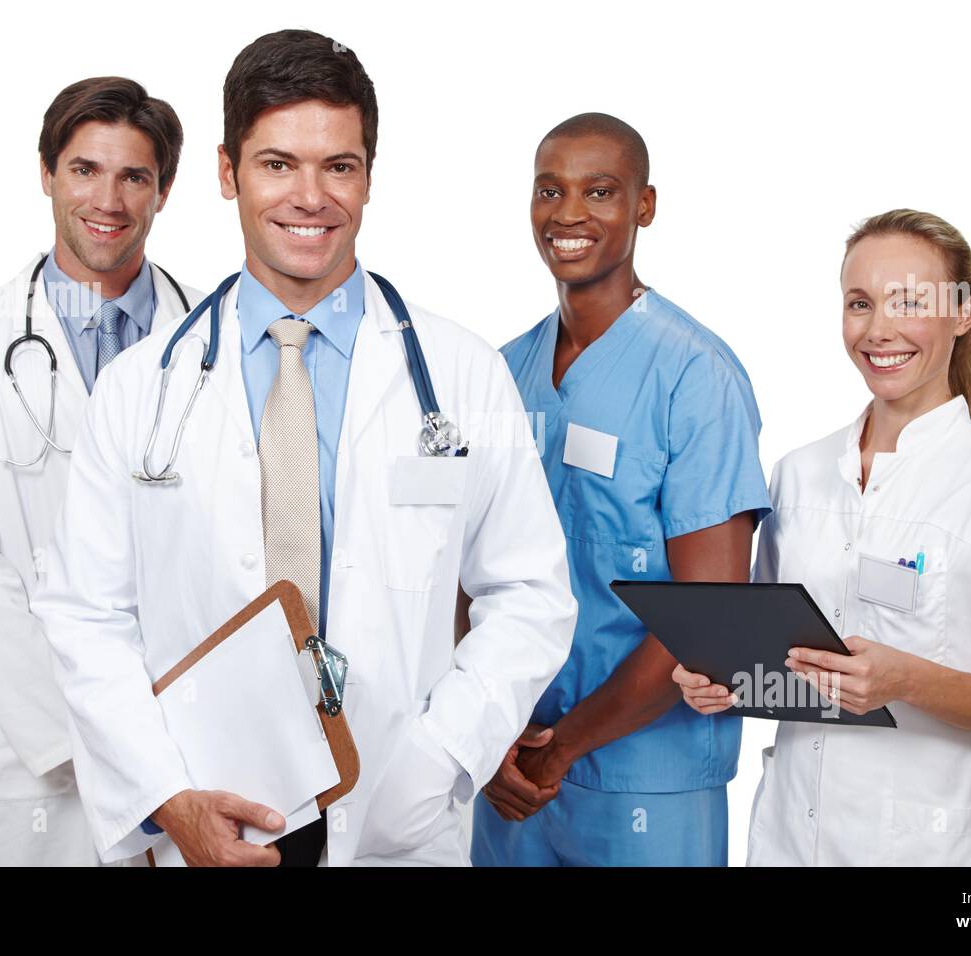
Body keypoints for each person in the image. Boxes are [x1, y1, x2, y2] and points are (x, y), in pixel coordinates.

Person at [33, 30, 576, 867]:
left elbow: (531, 594)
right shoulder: (142, 389)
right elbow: (86, 617)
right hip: (212, 811)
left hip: (400, 815)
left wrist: (439, 757)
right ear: (227, 173)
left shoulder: (461, 375)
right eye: (278, 164)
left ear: (368, 175)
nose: (311, 197)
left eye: (340, 166)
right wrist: (167, 799)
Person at [675, 209, 971, 866]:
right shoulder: (799, 474)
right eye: (859, 303)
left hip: (926, 842)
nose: (878, 329)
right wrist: (717, 681)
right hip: (788, 834)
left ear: (964, 312)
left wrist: (907, 681)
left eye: (910, 301)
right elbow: (770, 653)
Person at [468, 114, 770, 867]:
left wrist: (561, 748)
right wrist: (488, 732)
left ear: (645, 205)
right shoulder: (501, 372)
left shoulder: (696, 377)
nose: (569, 214)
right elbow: (465, 576)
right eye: (550, 190)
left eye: (600, 191)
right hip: (510, 772)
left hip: (645, 782)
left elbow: (711, 620)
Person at [0, 77, 196, 866]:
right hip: (38, 765)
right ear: (46, 172)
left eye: (134, 176)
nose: (108, 198)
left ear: (164, 191)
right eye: (83, 170)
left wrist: (162, 766)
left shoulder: (215, 341)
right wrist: (116, 755)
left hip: (191, 755)